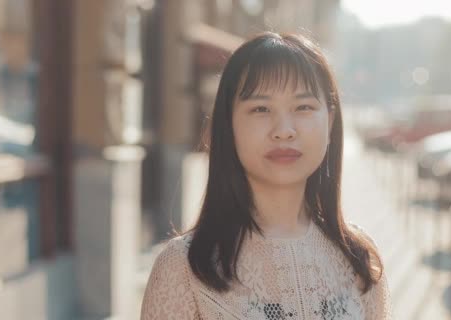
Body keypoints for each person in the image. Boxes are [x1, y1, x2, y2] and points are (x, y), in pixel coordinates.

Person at [140, 32, 391, 320]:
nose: (284, 129)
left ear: (330, 120)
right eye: (261, 108)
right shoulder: (184, 269)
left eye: (303, 107)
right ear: (229, 124)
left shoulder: (360, 262)